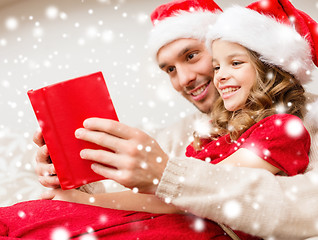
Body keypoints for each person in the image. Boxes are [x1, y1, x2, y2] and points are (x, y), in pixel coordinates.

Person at [33, 0, 318, 239]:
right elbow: (131, 199)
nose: (184, 79)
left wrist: (160, 177)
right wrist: (74, 175)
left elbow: (299, 209)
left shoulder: (293, 125)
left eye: (192, 56)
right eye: (169, 69)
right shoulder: (189, 135)